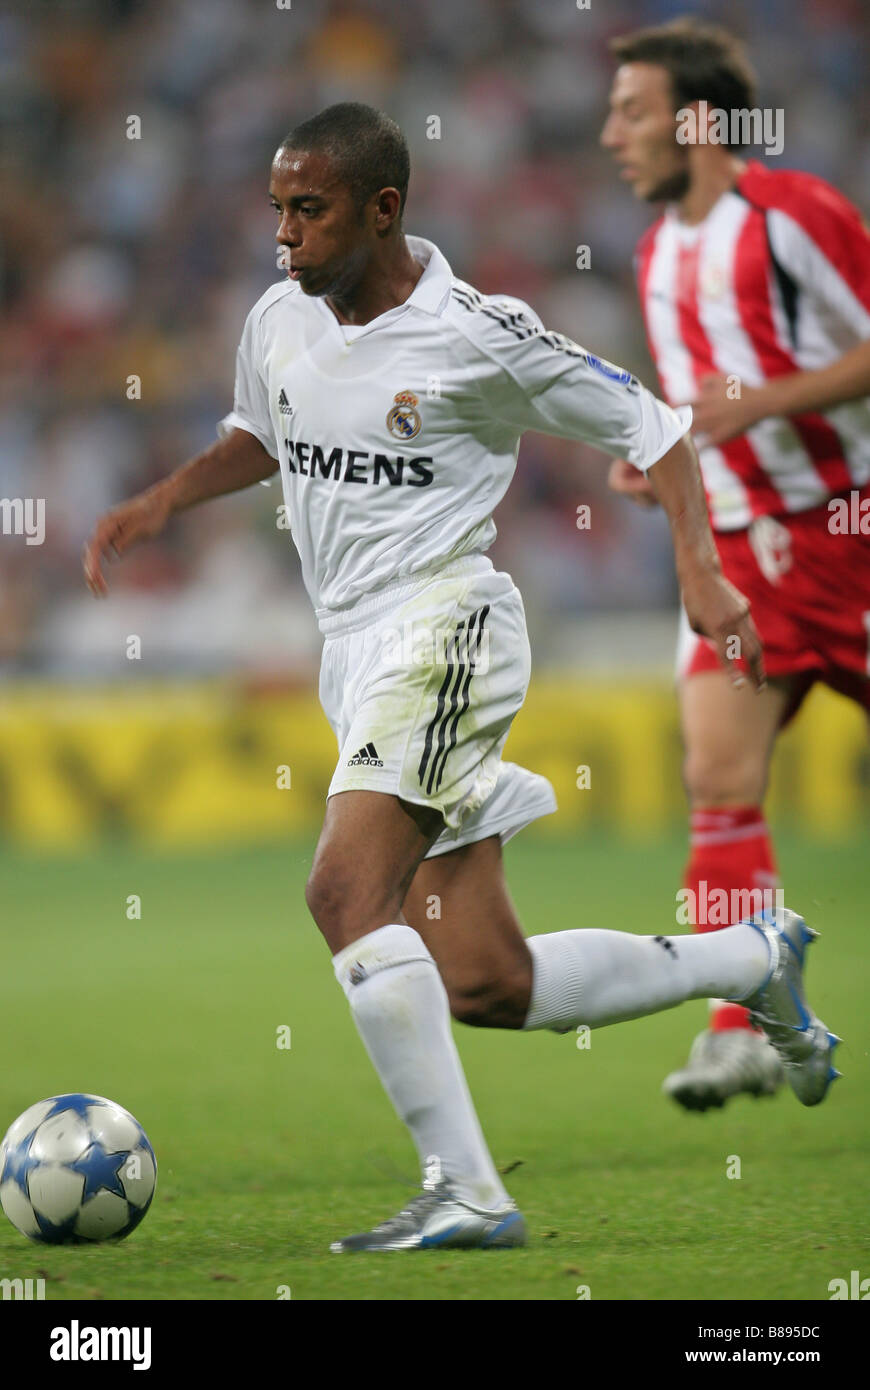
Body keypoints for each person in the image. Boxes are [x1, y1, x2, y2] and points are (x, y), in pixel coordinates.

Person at [83, 103, 838, 1252]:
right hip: (358, 654)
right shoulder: (279, 317)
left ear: (382, 209)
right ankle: (753, 955)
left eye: (309, 211)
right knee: (489, 980)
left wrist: (702, 568)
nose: (283, 237)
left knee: (344, 894)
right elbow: (264, 430)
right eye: (277, 210)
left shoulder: (479, 336)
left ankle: (471, 1193)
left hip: (446, 628)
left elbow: (656, 428)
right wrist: (163, 499)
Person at [601, 19, 869, 1112]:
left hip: (850, 527)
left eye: (632, 111)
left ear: (698, 123)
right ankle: (739, 1025)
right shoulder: (656, 252)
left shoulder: (793, 214)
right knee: (718, 782)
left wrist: (755, 405)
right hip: (747, 550)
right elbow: (698, 410)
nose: (611, 133)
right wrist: (660, 459)